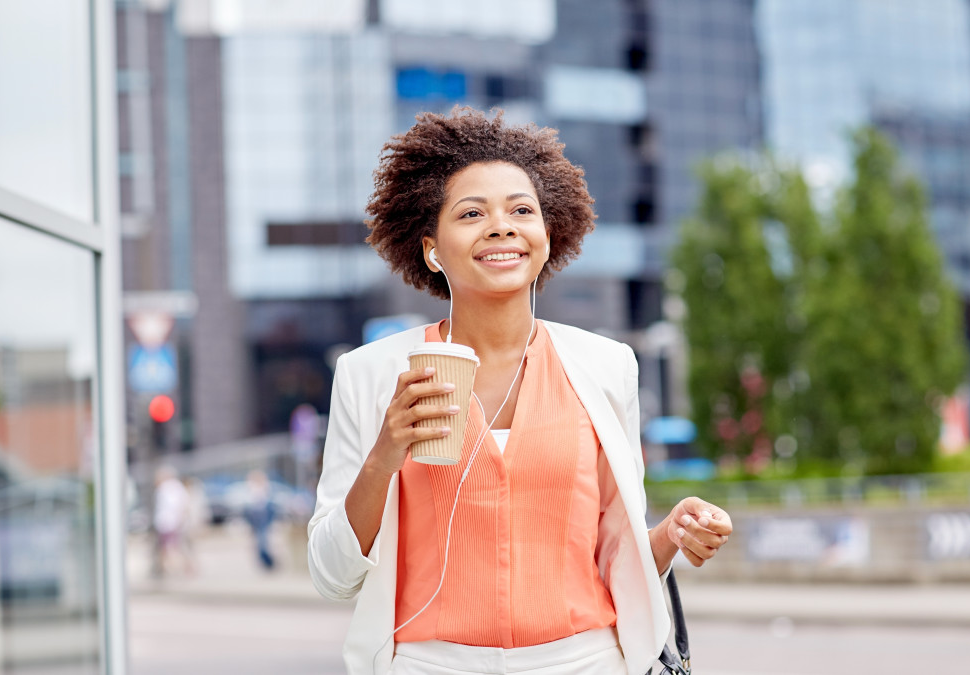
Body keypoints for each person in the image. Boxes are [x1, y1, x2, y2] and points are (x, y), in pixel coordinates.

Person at [308, 108, 733, 675]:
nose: (502, 226)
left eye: (521, 210)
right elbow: (333, 577)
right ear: (431, 248)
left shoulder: (607, 367)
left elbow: (612, 558)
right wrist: (386, 454)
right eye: (472, 213)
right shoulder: (373, 374)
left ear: (547, 235)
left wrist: (671, 534)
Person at [244, 469, 278, 570]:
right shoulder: (251, 488)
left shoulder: (265, 488)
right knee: (259, 541)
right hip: (255, 516)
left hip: (263, 516)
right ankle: (266, 561)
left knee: (262, 540)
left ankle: (269, 561)